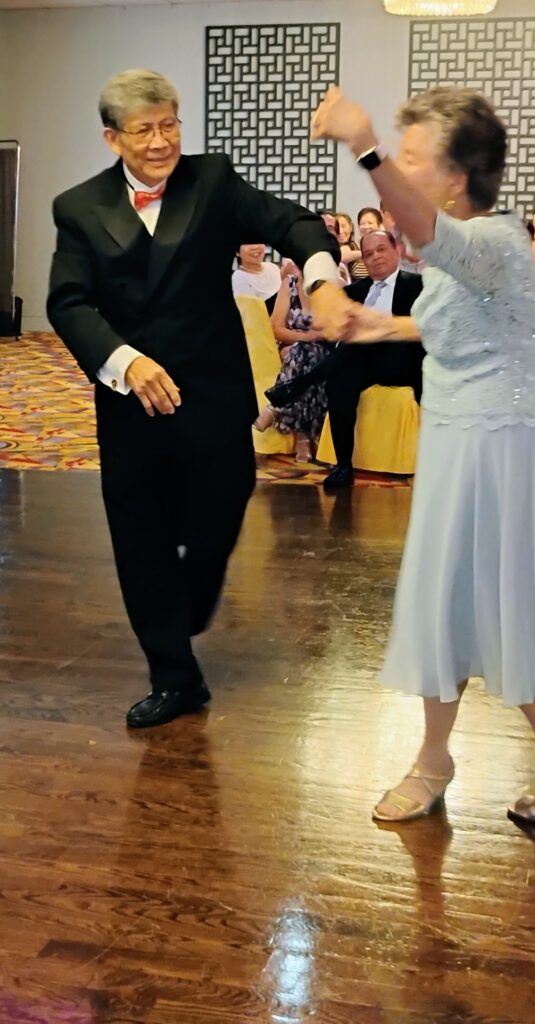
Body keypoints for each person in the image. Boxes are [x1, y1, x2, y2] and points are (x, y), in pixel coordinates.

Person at [311, 85, 535, 825]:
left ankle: (451, 761)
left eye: (412, 158)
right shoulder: (472, 253)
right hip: (463, 446)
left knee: (473, 608)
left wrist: (363, 143)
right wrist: (375, 325)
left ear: (456, 177)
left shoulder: (490, 241)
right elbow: (456, 325)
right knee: (461, 609)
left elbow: (426, 232)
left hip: (494, 457)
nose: (400, 169)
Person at [47, 69, 344, 728]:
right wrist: (125, 361)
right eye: (144, 130)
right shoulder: (78, 206)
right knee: (140, 536)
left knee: (224, 505)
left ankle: (188, 601)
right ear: (113, 138)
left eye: (169, 124)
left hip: (211, 390)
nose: (161, 141)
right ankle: (175, 678)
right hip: (131, 398)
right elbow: (68, 303)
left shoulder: (211, 181)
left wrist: (321, 276)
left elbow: (291, 221)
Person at [322, 230, 424, 490]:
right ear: (363, 261)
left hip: (403, 361)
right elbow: (336, 334)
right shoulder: (353, 292)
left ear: (396, 250)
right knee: (340, 377)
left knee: (354, 348)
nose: (375, 257)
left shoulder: (418, 285)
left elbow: (424, 332)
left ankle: (299, 383)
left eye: (381, 249)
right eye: (368, 254)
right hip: (362, 364)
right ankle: (343, 465)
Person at [254, 265, 330, 461]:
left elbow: (333, 331)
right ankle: (306, 436)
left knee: (305, 355)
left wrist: (305, 342)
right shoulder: (290, 284)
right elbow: (276, 327)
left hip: (323, 351)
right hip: (292, 348)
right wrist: (305, 338)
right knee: (302, 352)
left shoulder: (333, 285)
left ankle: (276, 408)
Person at [231, 243, 282, 314]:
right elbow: (251, 313)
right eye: (247, 243)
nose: (255, 247)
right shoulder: (239, 278)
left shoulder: (272, 266)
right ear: (237, 252)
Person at [335, 211, 368, 280]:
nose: (340, 231)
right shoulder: (329, 249)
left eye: (343, 226)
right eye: (336, 227)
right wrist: (366, 253)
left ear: (350, 228)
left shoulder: (355, 245)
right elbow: (344, 256)